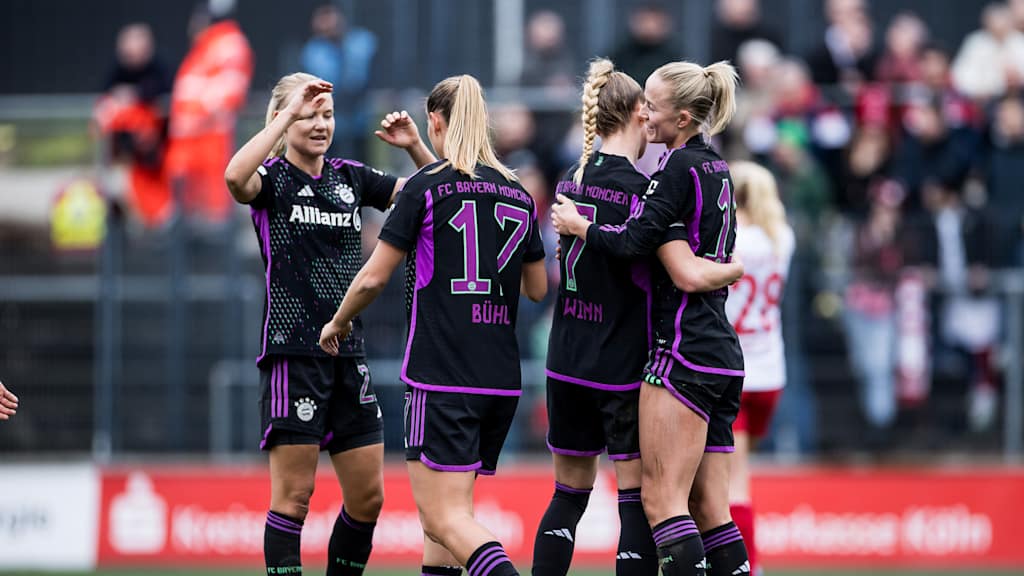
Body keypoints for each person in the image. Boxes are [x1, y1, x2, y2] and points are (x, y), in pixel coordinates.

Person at [319, 75, 547, 576]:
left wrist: (338, 321)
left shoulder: (425, 188)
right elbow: (536, 288)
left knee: (443, 519)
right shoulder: (517, 193)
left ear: (437, 121)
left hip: (441, 374)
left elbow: (373, 277)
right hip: (499, 379)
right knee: (441, 531)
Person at [534, 59, 744, 576]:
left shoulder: (576, 178)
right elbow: (674, 262)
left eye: (657, 104)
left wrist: (582, 226)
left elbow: (657, 257)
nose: (649, 114)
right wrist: (732, 269)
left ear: (684, 116)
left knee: (643, 500)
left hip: (601, 356)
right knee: (699, 507)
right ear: (632, 111)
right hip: (678, 353)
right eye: (644, 104)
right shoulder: (713, 170)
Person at [224, 72, 435, 575]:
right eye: (309, 114)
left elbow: (434, 196)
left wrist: (414, 146)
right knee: (294, 500)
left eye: (327, 115)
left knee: (369, 499)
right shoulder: (271, 180)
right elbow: (235, 178)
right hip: (293, 354)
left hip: (348, 355)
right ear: (283, 119)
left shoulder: (350, 177)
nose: (321, 124)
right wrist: (283, 117)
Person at [723, 161, 795, 576]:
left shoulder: (735, 242)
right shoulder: (782, 238)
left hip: (735, 373)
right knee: (731, 476)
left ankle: (747, 565)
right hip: (771, 372)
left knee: (732, 484)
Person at [166, 0, 253, 224]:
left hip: (211, 146)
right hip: (190, 150)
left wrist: (195, 119)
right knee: (190, 219)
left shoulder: (229, 45)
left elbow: (230, 94)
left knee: (215, 220)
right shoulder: (203, 49)